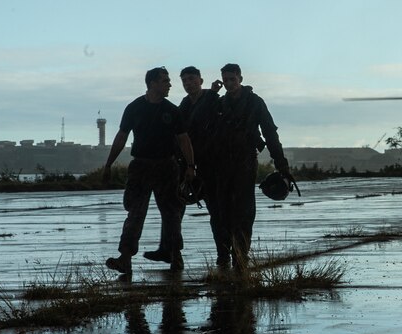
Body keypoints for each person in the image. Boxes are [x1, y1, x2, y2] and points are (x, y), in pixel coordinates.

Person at [103, 66, 196, 277]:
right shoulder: (134, 108)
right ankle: (125, 259)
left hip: (167, 167)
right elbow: (121, 137)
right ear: (152, 83)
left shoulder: (172, 110)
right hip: (141, 167)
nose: (170, 84)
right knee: (135, 213)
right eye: (165, 80)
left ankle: (175, 255)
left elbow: (184, 139)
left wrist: (190, 167)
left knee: (171, 213)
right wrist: (108, 165)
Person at [209, 62, 290, 270]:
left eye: (232, 79)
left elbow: (270, 132)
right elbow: (203, 127)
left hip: (245, 162)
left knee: (244, 211)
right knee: (221, 210)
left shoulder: (255, 103)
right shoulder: (218, 104)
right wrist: (211, 94)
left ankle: (241, 254)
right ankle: (223, 253)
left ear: (240, 79)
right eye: (225, 80)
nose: (228, 84)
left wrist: (281, 163)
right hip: (221, 163)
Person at [143, 66, 220, 264]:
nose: (188, 83)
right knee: (174, 209)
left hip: (209, 164)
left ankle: (224, 254)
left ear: (200, 80)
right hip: (186, 164)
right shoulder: (184, 105)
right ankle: (169, 250)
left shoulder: (212, 100)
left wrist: (212, 93)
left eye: (192, 79)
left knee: (216, 210)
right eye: (185, 80)